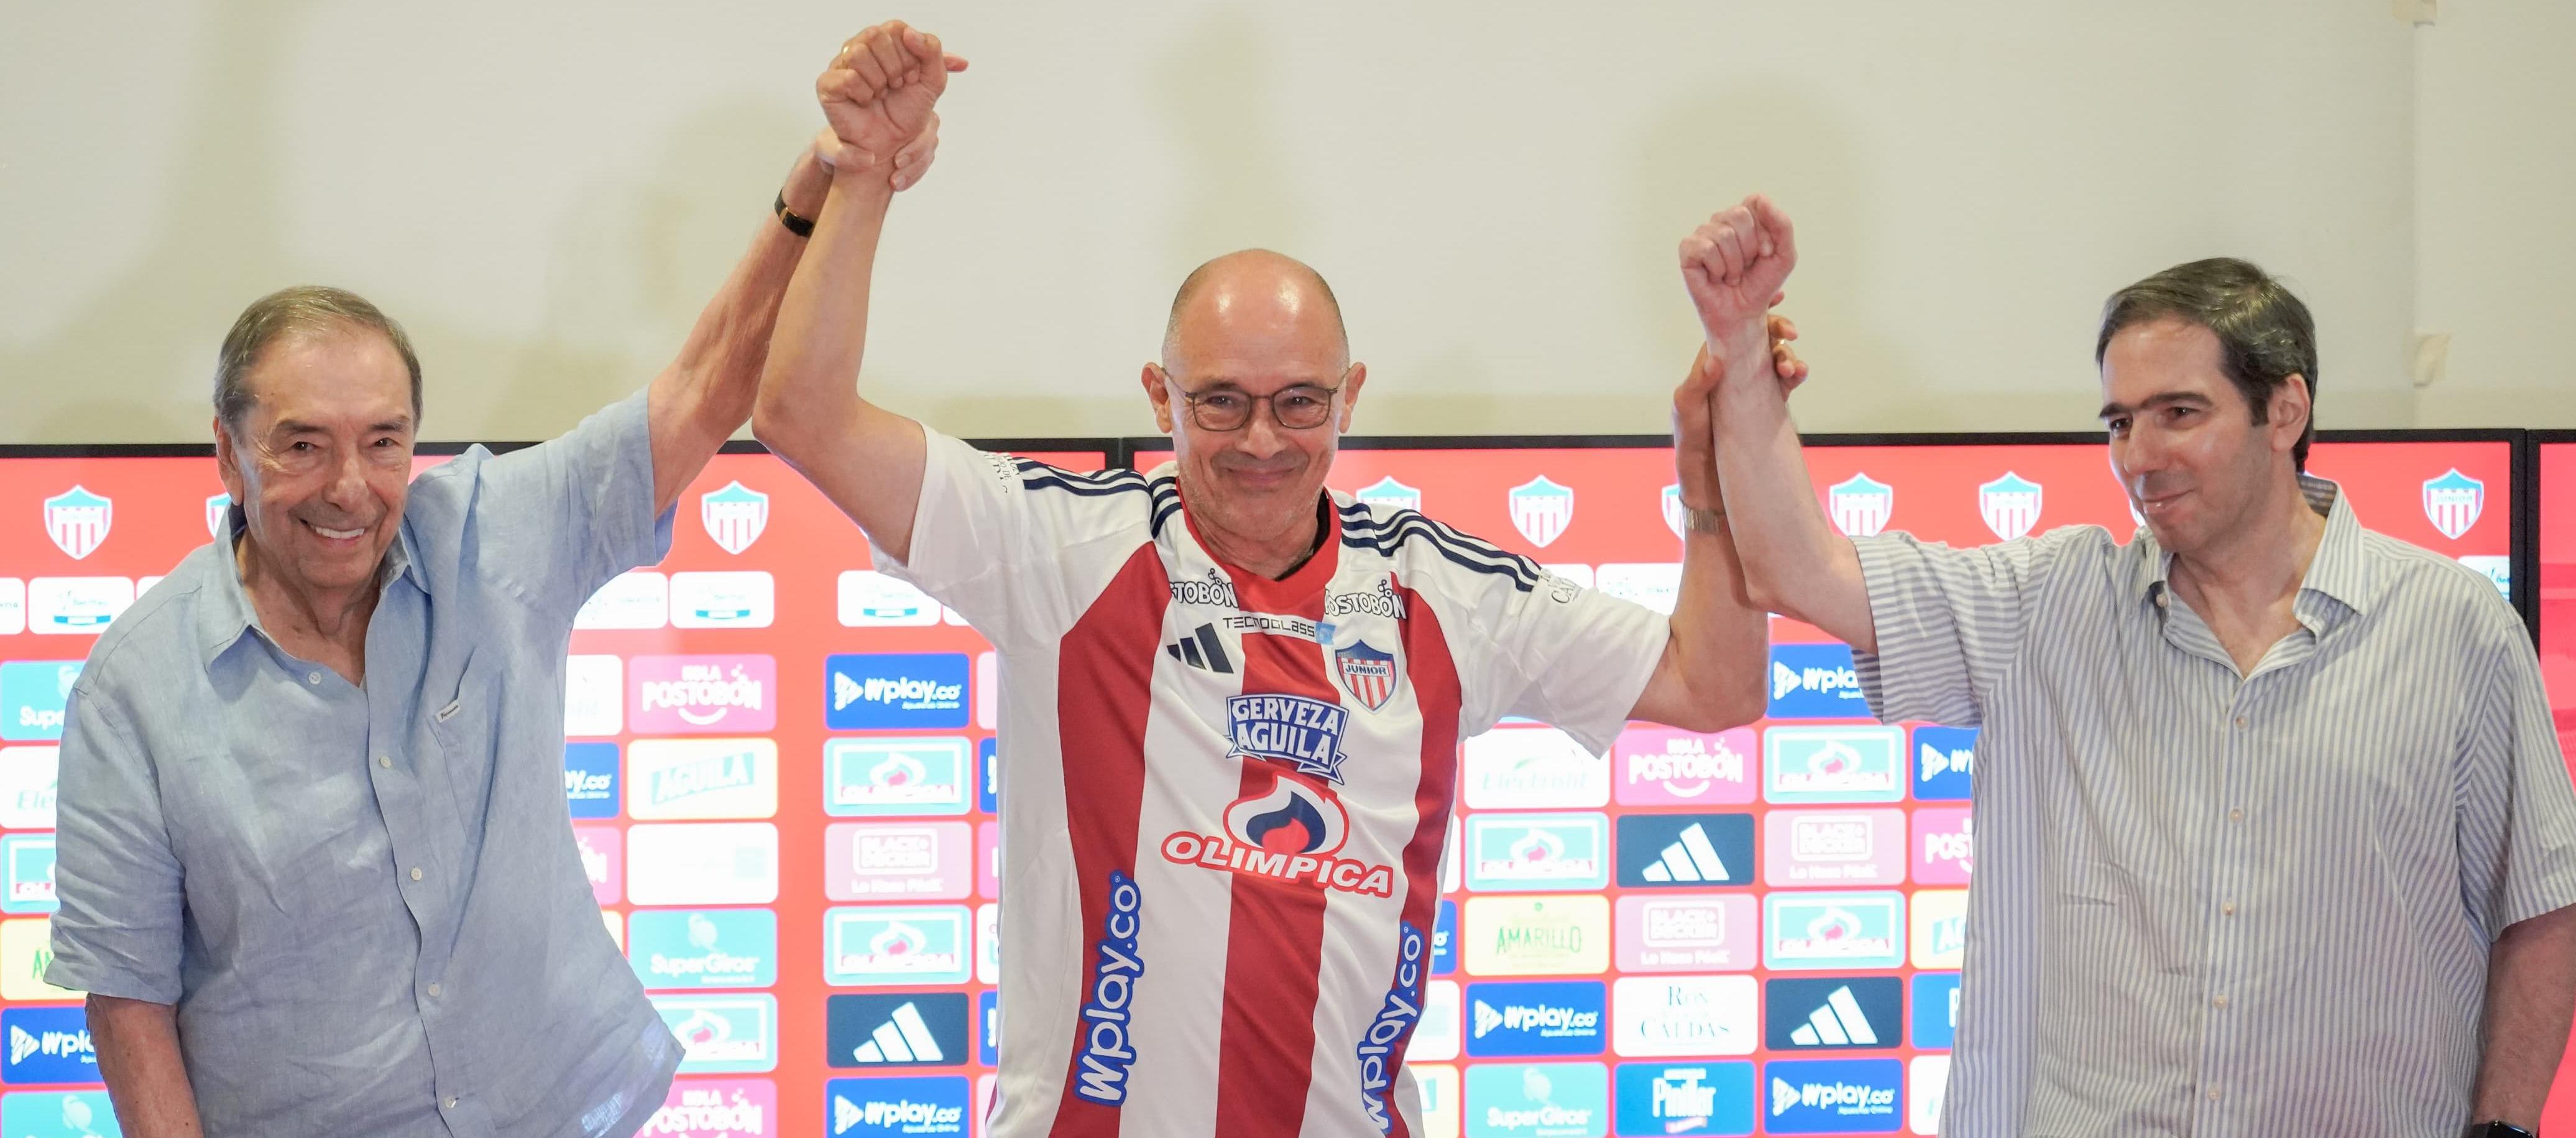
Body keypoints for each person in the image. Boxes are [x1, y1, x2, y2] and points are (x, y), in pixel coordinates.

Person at [750, 21, 1795, 1137]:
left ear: (1351, 397)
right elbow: (801, 416)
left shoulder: (1439, 591)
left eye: (1300, 401)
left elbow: (1717, 685)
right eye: (1221, 402)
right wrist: (860, 173)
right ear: (1160, 396)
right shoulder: (1059, 550)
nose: (1262, 440)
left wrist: (1721, 461)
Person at [42, 35, 949, 1138]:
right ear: (227, 456)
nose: (350, 487)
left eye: (384, 441)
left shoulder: (489, 535)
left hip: (563, 1110)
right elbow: (127, 1001)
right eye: (300, 445)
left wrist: (828, 178)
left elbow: (711, 383)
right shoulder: (133, 691)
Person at [1681, 195, 2576, 1136]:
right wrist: (1741, 347)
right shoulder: (2046, 605)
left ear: (2286, 408)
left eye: (2178, 414)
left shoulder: (2454, 626)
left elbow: (2545, 905)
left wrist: (2505, 1128)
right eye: (2119, 422)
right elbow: (1797, 567)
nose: (2138, 457)